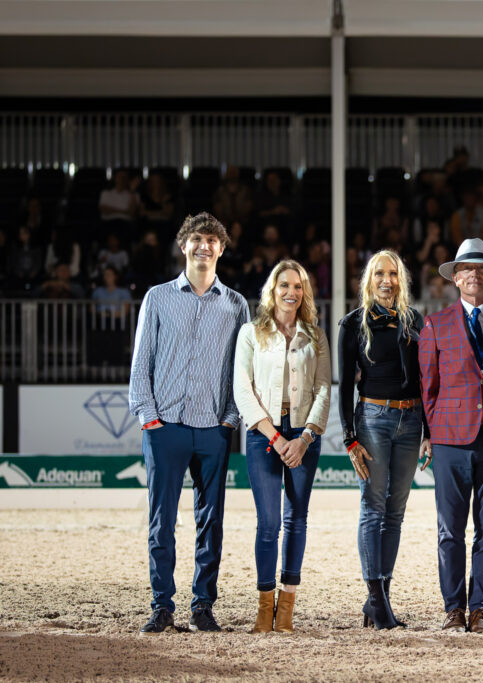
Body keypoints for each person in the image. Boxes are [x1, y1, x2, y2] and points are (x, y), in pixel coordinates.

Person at [128, 212, 250, 635]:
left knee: (210, 521)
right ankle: (162, 605)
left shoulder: (236, 305)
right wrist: (149, 418)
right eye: (197, 238)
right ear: (184, 245)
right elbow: (141, 362)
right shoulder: (158, 298)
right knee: (162, 520)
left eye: (212, 240)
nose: (204, 245)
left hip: (213, 428)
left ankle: (203, 605)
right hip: (165, 426)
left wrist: (230, 420)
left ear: (221, 249)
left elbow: (241, 369)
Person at [418, 238, 483, 633]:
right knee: (449, 530)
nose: (474, 274)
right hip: (449, 438)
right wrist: (430, 433)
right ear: (455, 277)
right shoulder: (435, 324)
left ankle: (480, 609)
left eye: (482, 268)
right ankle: (454, 610)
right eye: (467, 268)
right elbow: (428, 387)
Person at [233, 260, 330, 634]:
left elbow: (324, 389)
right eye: (284, 285)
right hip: (264, 434)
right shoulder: (250, 333)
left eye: (298, 286)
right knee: (269, 523)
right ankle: (264, 607)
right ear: (272, 290)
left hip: (304, 435)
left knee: (297, 519)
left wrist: (304, 439)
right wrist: (276, 438)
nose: (291, 292)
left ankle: (286, 607)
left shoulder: (315, 336)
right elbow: (243, 389)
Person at [338, 250, 431, 630]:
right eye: (379, 274)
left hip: (410, 421)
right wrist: (349, 438)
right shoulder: (353, 324)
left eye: (393, 274)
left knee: (395, 512)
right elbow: (345, 385)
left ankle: (380, 599)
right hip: (373, 419)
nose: (386, 280)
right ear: (369, 280)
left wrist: (428, 431)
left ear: (401, 280)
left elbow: (425, 380)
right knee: (373, 507)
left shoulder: (414, 321)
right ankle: (377, 600)